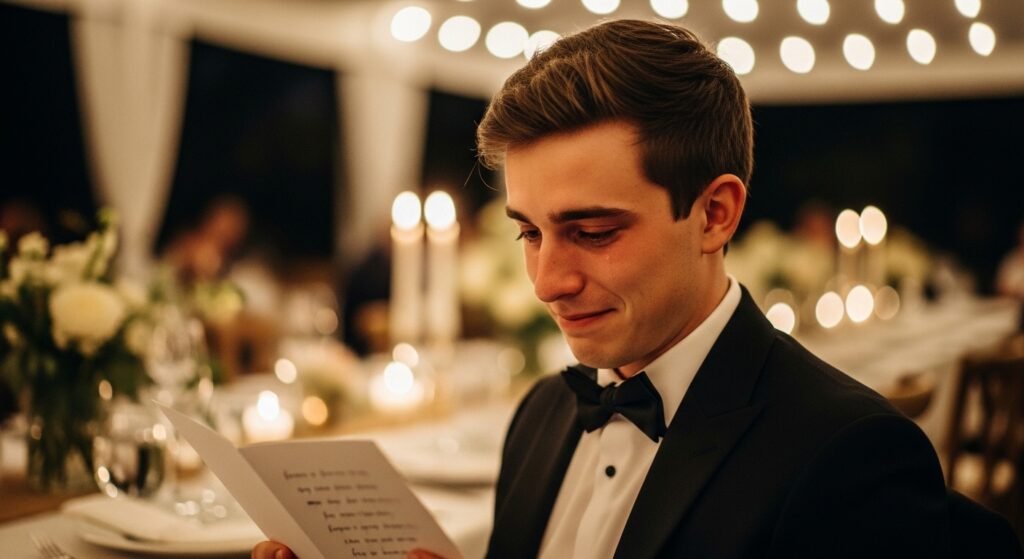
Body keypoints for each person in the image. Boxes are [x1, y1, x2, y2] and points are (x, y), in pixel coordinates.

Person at [254, 19, 1016, 559]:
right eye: (529, 231)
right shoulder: (543, 413)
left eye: (593, 231)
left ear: (714, 213)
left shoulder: (850, 457)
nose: (548, 281)